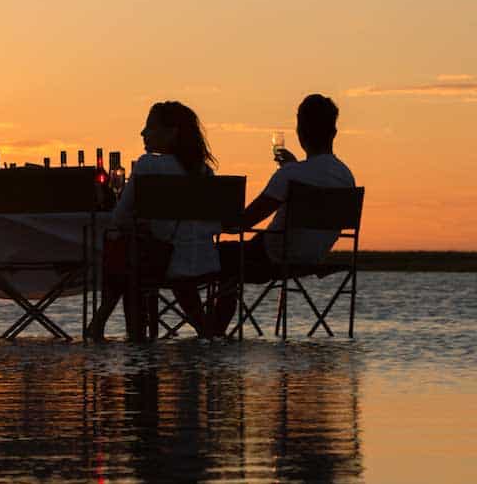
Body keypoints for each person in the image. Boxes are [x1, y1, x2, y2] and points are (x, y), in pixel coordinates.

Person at [207, 94, 355, 336]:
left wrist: (212, 223)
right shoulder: (345, 176)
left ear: (300, 131)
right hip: (312, 258)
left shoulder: (291, 176)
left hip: (271, 256)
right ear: (334, 132)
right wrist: (294, 166)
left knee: (221, 256)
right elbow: (312, 178)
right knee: (233, 256)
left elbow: (245, 222)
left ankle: (213, 333)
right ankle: (213, 331)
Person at [88, 101, 221, 341]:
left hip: (160, 263)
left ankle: (122, 329)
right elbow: (216, 225)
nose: (143, 133)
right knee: (139, 253)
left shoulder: (148, 165)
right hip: (205, 262)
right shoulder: (205, 172)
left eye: (150, 127)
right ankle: (204, 328)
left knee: (125, 250)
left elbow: (119, 217)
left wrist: (142, 225)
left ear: (171, 133)